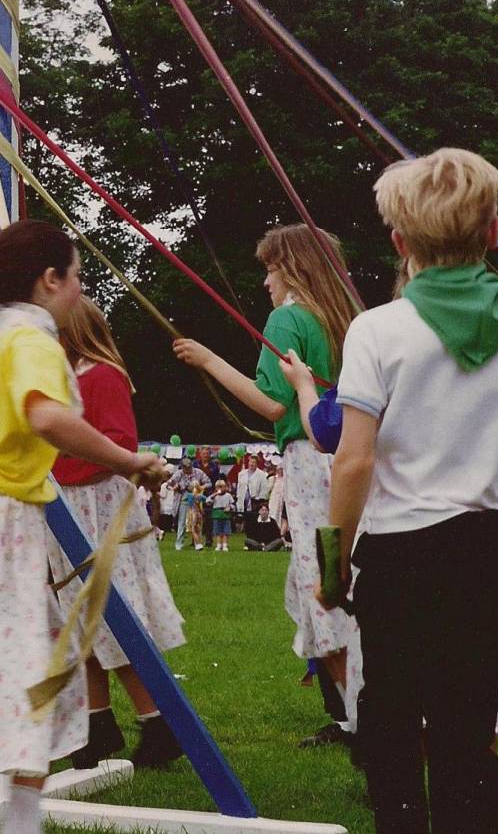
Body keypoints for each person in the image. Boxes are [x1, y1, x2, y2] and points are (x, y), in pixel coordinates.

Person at [0, 220, 166, 834]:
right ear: (51, 280)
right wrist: (130, 462)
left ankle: (23, 821)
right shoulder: (32, 341)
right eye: (76, 277)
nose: (79, 291)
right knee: (10, 687)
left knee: (45, 670)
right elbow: (44, 416)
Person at [324, 148, 498, 832]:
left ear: (400, 242)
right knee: (469, 719)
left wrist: (332, 561)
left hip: (400, 553)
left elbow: (353, 462)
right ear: (494, 232)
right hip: (489, 546)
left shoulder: (377, 330)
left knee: (390, 717)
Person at [174, 223, 357, 749]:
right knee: (347, 578)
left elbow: (273, 403)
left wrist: (209, 361)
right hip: (352, 458)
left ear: (293, 268)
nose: (266, 282)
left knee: (323, 583)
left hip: (309, 461)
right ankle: (358, 712)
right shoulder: (346, 322)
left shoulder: (287, 319)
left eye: (271, 269)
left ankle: (361, 723)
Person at [48, 296, 184, 770]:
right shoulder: (59, 382)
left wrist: (61, 467)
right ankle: (97, 722)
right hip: (68, 508)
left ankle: (156, 721)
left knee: (112, 617)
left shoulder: (101, 375)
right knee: (79, 617)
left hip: (99, 508)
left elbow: (119, 444)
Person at [166, 457, 209, 550]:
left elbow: (209, 483)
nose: (188, 470)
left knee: (196, 522)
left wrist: (201, 487)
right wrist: (175, 487)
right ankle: (179, 544)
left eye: (189, 467)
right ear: (182, 467)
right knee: (182, 523)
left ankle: (197, 543)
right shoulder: (178, 474)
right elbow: (168, 485)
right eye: (186, 468)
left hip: (196, 501)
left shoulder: (198, 472)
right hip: (183, 500)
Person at [207, 479, 235, 552]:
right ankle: (219, 545)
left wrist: (230, 507)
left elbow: (233, 504)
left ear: (225, 487)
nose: (220, 489)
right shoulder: (214, 496)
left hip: (225, 515)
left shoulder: (228, 495)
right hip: (217, 515)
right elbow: (208, 502)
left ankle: (225, 545)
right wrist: (214, 495)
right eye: (218, 487)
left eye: (222, 487)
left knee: (226, 531)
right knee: (218, 531)